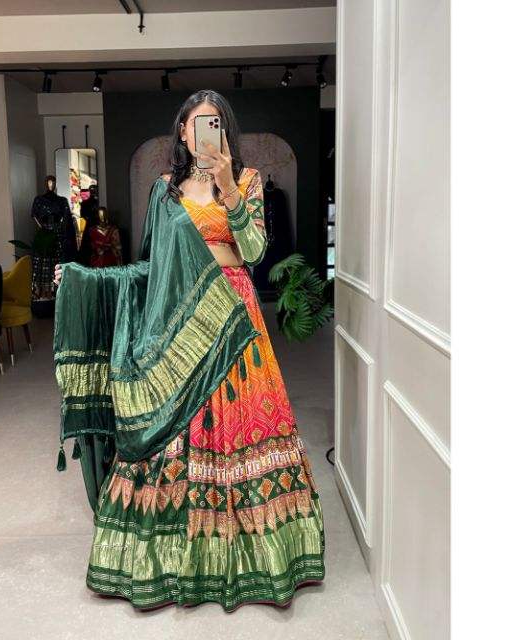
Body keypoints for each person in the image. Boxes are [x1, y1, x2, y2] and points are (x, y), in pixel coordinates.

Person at [53, 89, 325, 612]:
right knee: (175, 428)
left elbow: (253, 253)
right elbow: (152, 267)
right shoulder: (165, 190)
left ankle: (252, 557)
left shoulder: (248, 181)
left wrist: (229, 189)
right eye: (197, 123)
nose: (205, 132)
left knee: (243, 428)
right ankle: (172, 559)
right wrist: (85, 279)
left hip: (234, 313)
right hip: (181, 319)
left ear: (226, 131)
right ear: (182, 131)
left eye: (215, 123)